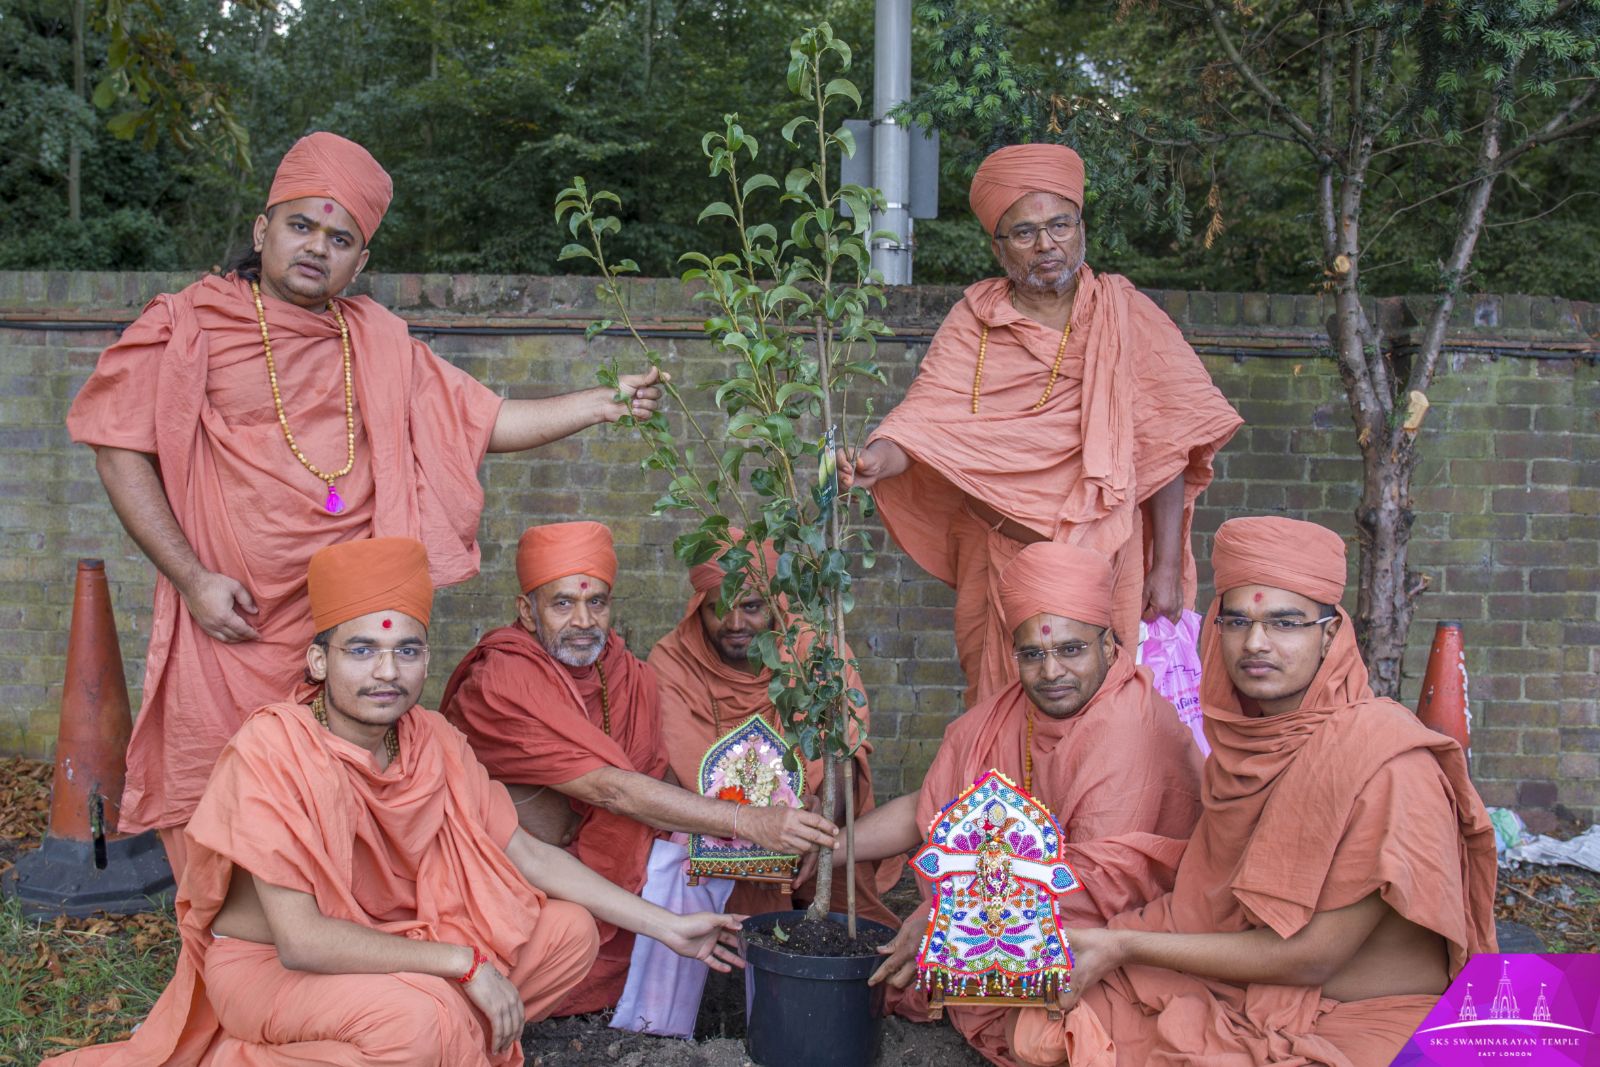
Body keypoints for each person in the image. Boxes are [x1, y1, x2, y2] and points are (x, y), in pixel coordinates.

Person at [64, 132, 664, 873]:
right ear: (262, 230)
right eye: (300, 225)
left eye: (340, 237)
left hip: (350, 630)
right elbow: (116, 442)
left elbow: (483, 421)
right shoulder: (191, 323)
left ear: (361, 261)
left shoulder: (377, 342)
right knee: (231, 809)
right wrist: (191, 577)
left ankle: (332, 954)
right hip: (232, 622)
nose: (317, 246)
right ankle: (234, 967)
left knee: (343, 811)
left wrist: (601, 403)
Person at [42, 537, 741, 1067]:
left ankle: (431, 1034)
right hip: (273, 967)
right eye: (362, 652)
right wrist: (461, 966)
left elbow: (524, 852)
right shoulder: (273, 751)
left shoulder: (431, 740)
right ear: (320, 661)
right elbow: (303, 939)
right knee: (425, 1018)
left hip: (405, 941)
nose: (387, 672)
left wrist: (665, 924)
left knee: (568, 935)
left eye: (407, 651)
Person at [1010, 517, 1498, 1067]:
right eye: (1238, 620)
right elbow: (1209, 907)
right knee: (1039, 1028)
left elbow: (1312, 958)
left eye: (1285, 622)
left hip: (1367, 1014)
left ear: (1331, 634)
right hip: (1246, 988)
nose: (1256, 643)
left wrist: (1124, 945)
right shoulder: (1242, 748)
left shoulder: (1386, 761)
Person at [841, 143, 1242, 706]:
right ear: (998, 246)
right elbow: (922, 421)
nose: (1046, 244)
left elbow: (1167, 447)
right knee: (1001, 715)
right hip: (1006, 556)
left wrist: (1168, 567)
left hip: (1110, 562)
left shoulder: (1126, 315)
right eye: (1024, 233)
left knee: (1108, 718)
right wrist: (872, 460)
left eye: (1060, 224)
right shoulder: (974, 325)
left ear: (1081, 227)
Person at [831, 541, 1204, 1066]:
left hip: (1111, 939)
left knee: (1049, 1037)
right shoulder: (1012, 711)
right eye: (1032, 654)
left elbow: (1096, 887)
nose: (1051, 672)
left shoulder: (1130, 726)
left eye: (1071, 649)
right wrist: (832, 851)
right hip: (999, 919)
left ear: (1109, 644)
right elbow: (938, 804)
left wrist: (941, 919)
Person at [441, 521, 836, 1015]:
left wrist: (769, 811)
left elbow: (655, 777)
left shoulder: (625, 672)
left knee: (691, 853)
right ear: (527, 610)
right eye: (563, 603)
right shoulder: (501, 680)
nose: (583, 620)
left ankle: (668, 999)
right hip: (512, 870)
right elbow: (611, 790)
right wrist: (744, 820)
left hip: (601, 857)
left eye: (597, 602)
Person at [649, 531, 901, 928]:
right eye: (720, 609)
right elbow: (679, 770)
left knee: (841, 904)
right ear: (698, 608)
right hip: (716, 827)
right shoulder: (672, 660)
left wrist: (817, 833)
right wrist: (755, 826)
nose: (735, 623)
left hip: (813, 821)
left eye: (750, 606)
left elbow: (843, 757)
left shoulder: (817, 650)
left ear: (774, 602)